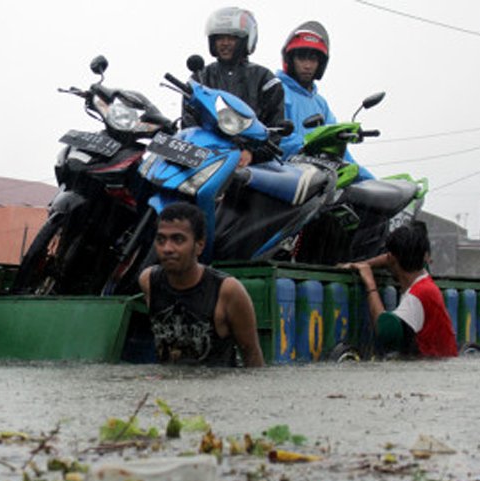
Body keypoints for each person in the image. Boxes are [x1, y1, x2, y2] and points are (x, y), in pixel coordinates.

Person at [138, 202, 265, 367]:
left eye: (178, 239)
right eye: (161, 240)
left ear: (199, 245)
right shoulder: (149, 281)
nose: (167, 248)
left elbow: (252, 355)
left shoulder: (227, 291)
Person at [182, 6, 285, 167]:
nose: (224, 43)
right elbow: (189, 123)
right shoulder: (200, 77)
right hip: (204, 161)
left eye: (232, 38)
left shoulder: (265, 79)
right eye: (219, 38)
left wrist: (251, 153)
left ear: (246, 40)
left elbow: (275, 128)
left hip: (251, 166)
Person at [276, 21, 374, 181]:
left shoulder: (320, 104)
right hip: (284, 179)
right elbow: (277, 138)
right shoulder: (276, 91)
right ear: (290, 60)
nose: (307, 65)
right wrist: (311, 149)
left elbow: (338, 147)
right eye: (302, 58)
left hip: (319, 177)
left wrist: (368, 180)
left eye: (313, 59)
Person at [343, 221, 458, 357]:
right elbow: (388, 258)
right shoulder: (424, 279)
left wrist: (370, 284)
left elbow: (385, 331)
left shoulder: (418, 295)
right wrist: (363, 264)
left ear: (393, 259)